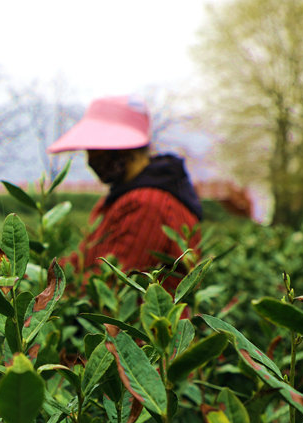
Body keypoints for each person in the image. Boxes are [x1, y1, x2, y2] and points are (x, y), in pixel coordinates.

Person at [48, 95, 202, 292]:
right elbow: (80, 263)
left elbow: (114, 284)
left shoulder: (147, 202)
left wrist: (46, 297)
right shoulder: (123, 198)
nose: (91, 158)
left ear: (124, 148)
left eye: (98, 148)